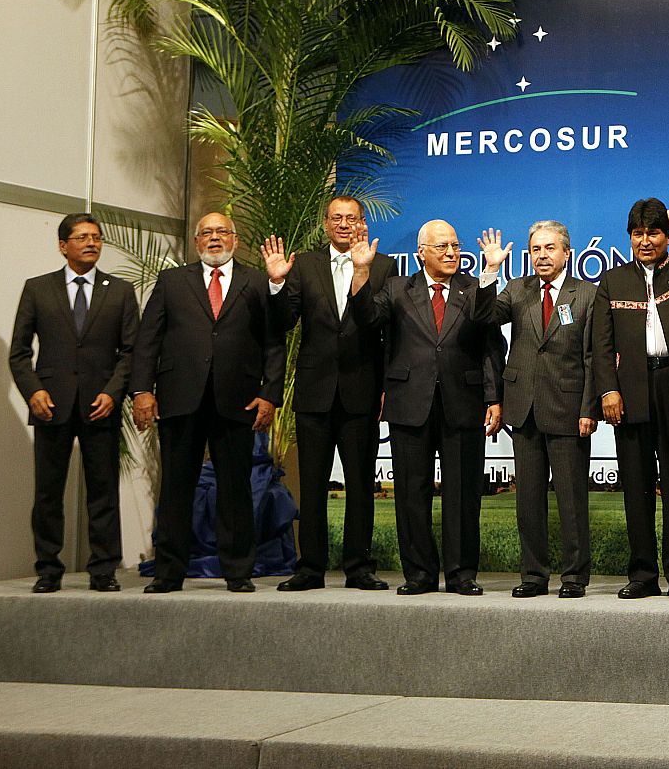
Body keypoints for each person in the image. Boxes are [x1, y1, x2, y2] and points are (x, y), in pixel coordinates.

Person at [131, 212, 285, 593]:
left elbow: (274, 341)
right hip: (180, 399)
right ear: (196, 241)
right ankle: (168, 573)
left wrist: (270, 394)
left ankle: (237, 571)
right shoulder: (171, 281)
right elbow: (148, 340)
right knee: (176, 488)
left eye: (222, 232)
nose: (214, 238)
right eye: (206, 233)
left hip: (239, 401)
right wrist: (141, 391)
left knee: (235, 489)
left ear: (235, 239)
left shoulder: (256, 281)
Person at [349, 220, 505, 596]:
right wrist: (360, 271)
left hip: (463, 402)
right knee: (410, 491)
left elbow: (490, 341)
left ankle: (461, 574)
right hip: (410, 403)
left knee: (463, 493)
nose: (451, 253)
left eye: (455, 245)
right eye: (442, 247)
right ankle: (418, 574)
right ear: (421, 252)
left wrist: (493, 397)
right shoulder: (397, 288)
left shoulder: (474, 287)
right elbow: (367, 318)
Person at [260, 197, 393, 593]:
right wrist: (277, 283)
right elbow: (284, 321)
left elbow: (380, 324)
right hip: (315, 391)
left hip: (362, 389)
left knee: (359, 483)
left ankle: (359, 567)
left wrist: (362, 272)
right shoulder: (304, 265)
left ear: (362, 223)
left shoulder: (383, 266)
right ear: (325, 224)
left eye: (351, 218)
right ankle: (310, 568)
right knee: (314, 484)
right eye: (336, 218)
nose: (344, 225)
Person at [592, 194, 669, 599]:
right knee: (636, 485)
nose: (645, 241)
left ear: (666, 236)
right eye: (638, 233)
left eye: (654, 233)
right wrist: (608, 390)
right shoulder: (612, 280)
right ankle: (643, 575)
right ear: (630, 236)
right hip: (629, 391)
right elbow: (601, 341)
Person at [9, 213, 139, 593]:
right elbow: (18, 353)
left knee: (103, 491)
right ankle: (48, 569)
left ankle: (103, 569)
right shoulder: (38, 289)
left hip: (101, 404)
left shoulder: (119, 291)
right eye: (82, 237)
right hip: (51, 404)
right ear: (63, 245)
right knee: (48, 493)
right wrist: (33, 390)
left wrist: (113, 392)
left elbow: (130, 352)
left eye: (96, 237)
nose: (91, 243)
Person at [478, 220, 599, 599]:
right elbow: (482, 319)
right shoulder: (517, 290)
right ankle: (533, 575)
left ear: (567, 252)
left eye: (550, 248)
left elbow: (594, 357)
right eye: (536, 250)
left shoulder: (588, 295)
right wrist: (491, 271)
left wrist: (588, 408)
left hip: (568, 408)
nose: (542, 256)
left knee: (571, 501)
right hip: (523, 408)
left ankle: (575, 576)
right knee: (528, 500)